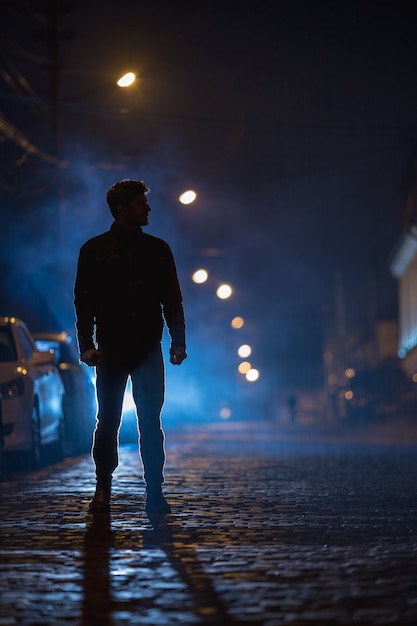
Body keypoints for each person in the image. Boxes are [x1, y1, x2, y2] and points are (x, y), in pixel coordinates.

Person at [74, 179, 187, 515]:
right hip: (112, 348)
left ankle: (154, 490)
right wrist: (87, 345)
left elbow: (172, 300)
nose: (147, 208)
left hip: (147, 347)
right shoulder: (94, 250)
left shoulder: (157, 249)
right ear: (122, 208)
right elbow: (84, 302)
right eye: (140, 203)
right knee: (107, 420)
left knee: (149, 422)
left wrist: (177, 342)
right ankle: (103, 487)